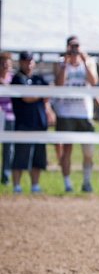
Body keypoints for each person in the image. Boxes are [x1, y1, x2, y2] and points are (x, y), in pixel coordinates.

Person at [54, 35, 99, 192]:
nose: (74, 49)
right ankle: (67, 184)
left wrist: (84, 61)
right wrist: (66, 64)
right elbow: (58, 84)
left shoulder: (89, 62)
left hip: (84, 113)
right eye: (71, 46)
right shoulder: (61, 63)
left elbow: (94, 81)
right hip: (65, 113)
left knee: (88, 151)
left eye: (76, 46)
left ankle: (87, 182)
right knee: (66, 150)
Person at [10, 52, 54, 193]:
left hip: (39, 121)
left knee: (38, 156)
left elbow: (49, 92)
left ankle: (35, 185)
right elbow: (27, 98)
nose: (28, 64)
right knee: (21, 155)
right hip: (24, 122)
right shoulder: (17, 79)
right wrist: (42, 93)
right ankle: (16, 185)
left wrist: (48, 110)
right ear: (21, 62)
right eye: (25, 61)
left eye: (30, 61)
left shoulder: (38, 79)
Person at [0, 52, 15, 185]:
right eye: (3, 63)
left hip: (10, 117)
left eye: (7, 63)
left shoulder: (13, 80)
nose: (5, 66)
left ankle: (6, 177)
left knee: (9, 148)